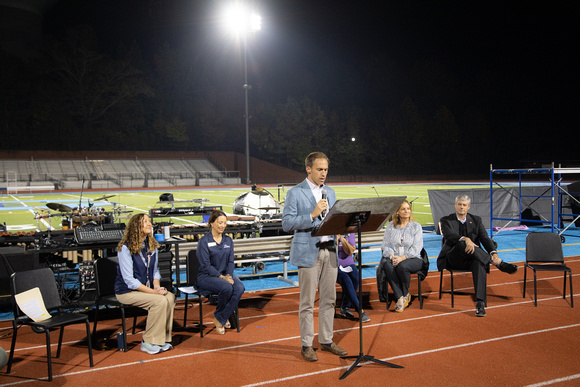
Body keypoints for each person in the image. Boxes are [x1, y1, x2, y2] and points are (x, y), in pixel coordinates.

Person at [282, 151, 348, 362]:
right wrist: (312, 214)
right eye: (319, 169)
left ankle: (327, 340)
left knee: (329, 300)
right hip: (308, 251)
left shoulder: (331, 192)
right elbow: (287, 224)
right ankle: (306, 345)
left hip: (330, 251)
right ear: (308, 168)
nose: (323, 174)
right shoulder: (295, 193)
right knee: (307, 302)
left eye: (326, 170)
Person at [437, 194, 518, 317]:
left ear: (468, 207)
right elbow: (449, 236)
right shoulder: (445, 220)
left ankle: (480, 303)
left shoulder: (476, 220)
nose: (461, 207)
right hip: (453, 258)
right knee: (461, 244)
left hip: (472, 257)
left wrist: (494, 253)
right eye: (459, 204)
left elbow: (485, 238)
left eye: (464, 205)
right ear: (455, 205)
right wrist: (466, 239)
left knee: (479, 264)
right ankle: (498, 264)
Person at [115, 213, 175, 355]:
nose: (149, 224)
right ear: (136, 227)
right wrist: (154, 293)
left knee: (170, 297)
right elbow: (129, 280)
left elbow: (155, 271)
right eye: (145, 222)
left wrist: (157, 286)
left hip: (145, 289)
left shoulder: (151, 244)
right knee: (159, 301)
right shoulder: (125, 248)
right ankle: (148, 342)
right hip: (126, 292)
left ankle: (162, 339)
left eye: (149, 221)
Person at [196, 209, 245, 334]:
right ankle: (222, 317)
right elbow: (206, 265)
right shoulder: (204, 241)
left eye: (224, 223)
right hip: (207, 276)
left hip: (225, 275)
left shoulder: (228, 240)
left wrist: (228, 275)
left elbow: (230, 261)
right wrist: (221, 277)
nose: (223, 226)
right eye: (220, 223)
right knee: (227, 287)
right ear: (212, 223)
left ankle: (220, 317)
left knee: (239, 288)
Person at [377, 200, 424, 312]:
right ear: (397, 212)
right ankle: (401, 296)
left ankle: (402, 295)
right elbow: (385, 245)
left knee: (402, 266)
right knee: (386, 264)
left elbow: (417, 247)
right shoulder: (390, 226)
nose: (406, 211)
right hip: (395, 257)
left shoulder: (416, 226)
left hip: (413, 258)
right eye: (403, 209)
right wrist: (392, 256)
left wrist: (402, 258)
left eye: (408, 209)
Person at [336, 233, 370, 322]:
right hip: (334, 264)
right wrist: (337, 239)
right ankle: (359, 310)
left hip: (348, 263)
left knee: (355, 278)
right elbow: (333, 251)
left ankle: (344, 307)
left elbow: (350, 251)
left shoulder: (350, 232)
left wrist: (342, 239)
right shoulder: (332, 230)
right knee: (345, 279)